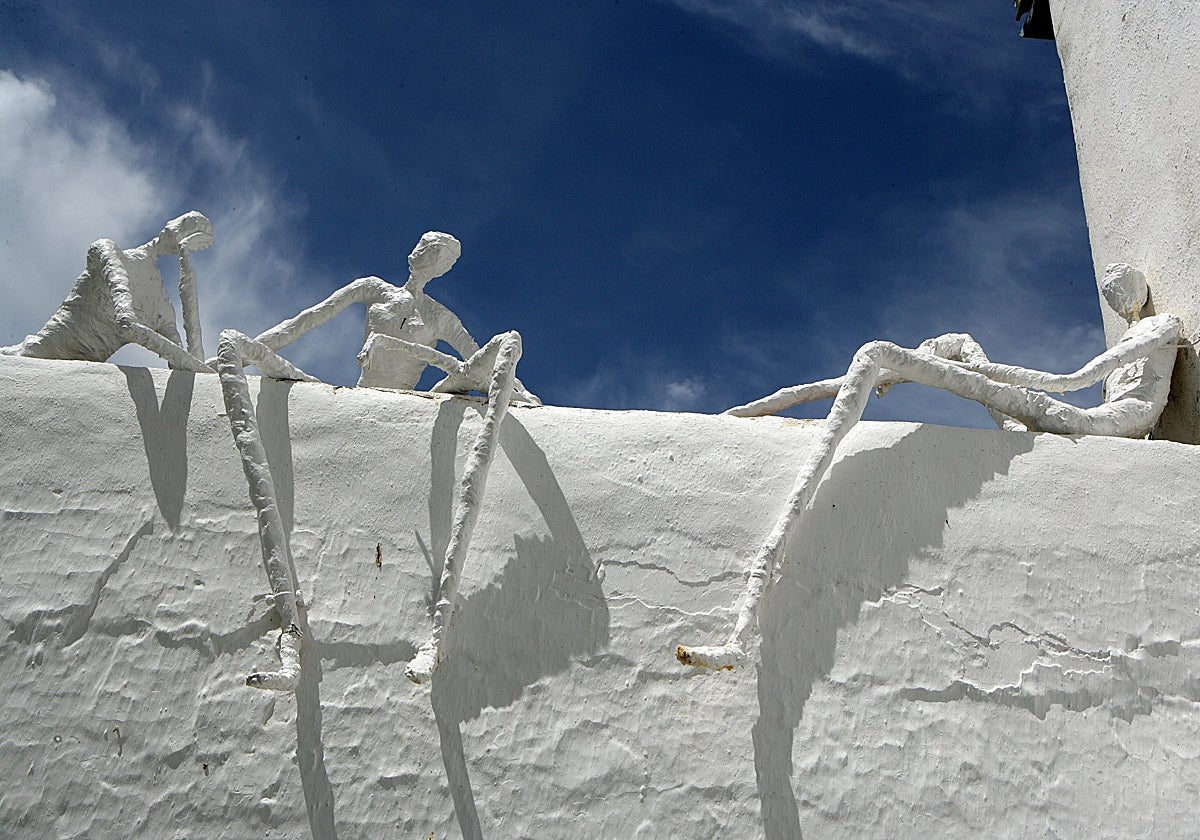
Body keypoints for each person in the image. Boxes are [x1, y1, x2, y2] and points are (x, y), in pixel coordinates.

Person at [677, 263, 1181, 671]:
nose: (1114, 292)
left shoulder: (1159, 328)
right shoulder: (1132, 337)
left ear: (1139, 288)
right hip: (1073, 421)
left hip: (1096, 425)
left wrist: (981, 374)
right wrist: (954, 368)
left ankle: (744, 622)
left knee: (879, 354)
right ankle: (744, 415)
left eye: (1120, 284)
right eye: (1109, 287)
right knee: (933, 349)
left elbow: (1074, 380)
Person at [214, 232, 533, 690]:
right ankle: (290, 631)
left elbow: (471, 355)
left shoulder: (439, 316)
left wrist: (517, 391)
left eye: (443, 258)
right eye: (430, 249)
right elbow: (304, 322)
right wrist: (248, 351)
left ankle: (436, 635)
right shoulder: (372, 289)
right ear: (413, 252)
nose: (433, 259)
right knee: (230, 343)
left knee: (509, 341)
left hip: (413, 404)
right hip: (356, 397)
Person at [2, 211, 213, 372]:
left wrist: (186, 263)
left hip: (79, 369)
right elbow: (123, 310)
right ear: (170, 225)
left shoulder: (163, 308)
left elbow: (185, 366)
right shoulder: (109, 250)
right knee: (20, 355)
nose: (183, 232)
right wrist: (126, 311)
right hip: (44, 348)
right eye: (186, 224)